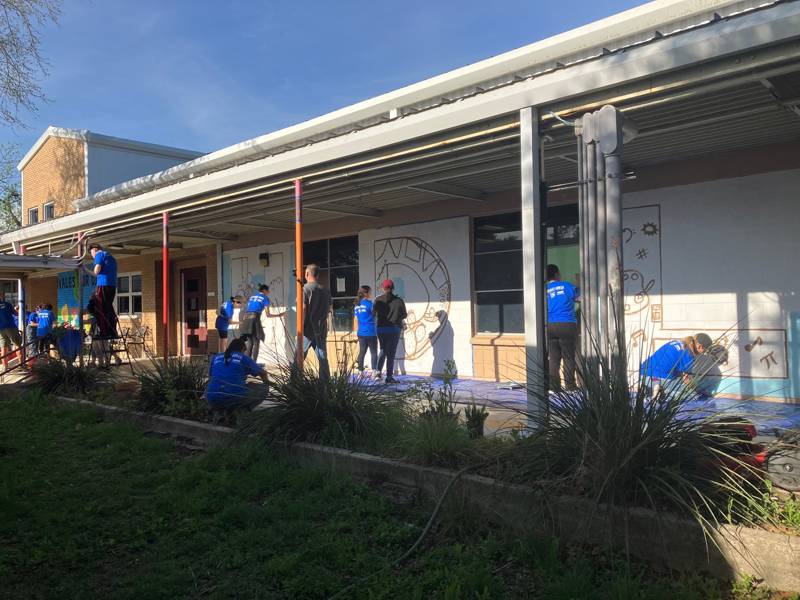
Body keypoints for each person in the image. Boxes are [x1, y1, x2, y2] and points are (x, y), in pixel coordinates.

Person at [205, 337, 269, 413]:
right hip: (234, 397)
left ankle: (219, 410)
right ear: (242, 349)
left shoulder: (216, 357)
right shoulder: (243, 358)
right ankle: (240, 412)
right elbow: (263, 373)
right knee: (264, 388)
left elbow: (210, 376)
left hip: (212, 398)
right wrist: (267, 383)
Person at [640, 333, 709, 397]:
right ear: (700, 346)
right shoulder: (688, 356)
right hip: (657, 379)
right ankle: (662, 394)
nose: (704, 354)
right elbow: (685, 379)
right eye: (705, 351)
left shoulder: (676, 342)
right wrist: (699, 390)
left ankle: (655, 390)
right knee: (693, 395)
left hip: (643, 375)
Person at [546, 264, 579, 392]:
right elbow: (580, 297)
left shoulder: (544, 289)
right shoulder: (566, 285)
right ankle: (570, 387)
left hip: (550, 325)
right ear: (556, 274)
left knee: (554, 358)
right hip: (567, 324)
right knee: (568, 357)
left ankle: (554, 388)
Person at [301, 264, 332, 381]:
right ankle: (325, 384)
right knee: (323, 358)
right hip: (321, 329)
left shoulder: (305, 289)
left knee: (298, 358)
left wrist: (301, 327)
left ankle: (294, 383)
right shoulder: (325, 290)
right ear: (317, 275)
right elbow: (329, 309)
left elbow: (303, 308)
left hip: (307, 330)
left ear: (307, 274)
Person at [373, 279, 407, 384]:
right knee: (391, 353)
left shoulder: (378, 300)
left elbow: (373, 313)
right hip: (394, 329)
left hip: (381, 329)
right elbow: (404, 315)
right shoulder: (399, 300)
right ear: (393, 288)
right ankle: (389, 377)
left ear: (383, 288)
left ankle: (378, 373)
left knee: (383, 350)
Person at [88, 243, 118, 339]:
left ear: (94, 250)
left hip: (103, 284)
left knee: (100, 308)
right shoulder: (111, 257)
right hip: (112, 285)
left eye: (91, 253)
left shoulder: (99, 255)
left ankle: (104, 332)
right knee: (108, 307)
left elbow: (96, 272)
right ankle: (112, 331)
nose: (92, 256)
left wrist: (84, 269)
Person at [239, 285, 273, 360]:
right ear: (264, 290)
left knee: (250, 341)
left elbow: (248, 308)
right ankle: (254, 363)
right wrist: (280, 315)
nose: (268, 292)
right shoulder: (265, 298)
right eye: (268, 291)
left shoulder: (252, 297)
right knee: (257, 341)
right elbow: (268, 314)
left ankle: (248, 362)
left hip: (247, 318)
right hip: (255, 318)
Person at [354, 285, 377, 373]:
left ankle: (360, 372)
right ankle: (375, 373)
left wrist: (356, 332)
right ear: (366, 294)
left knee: (362, 352)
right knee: (373, 353)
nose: (371, 294)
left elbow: (355, 320)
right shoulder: (370, 304)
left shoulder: (357, 304)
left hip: (361, 332)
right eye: (370, 292)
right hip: (370, 331)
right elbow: (374, 315)